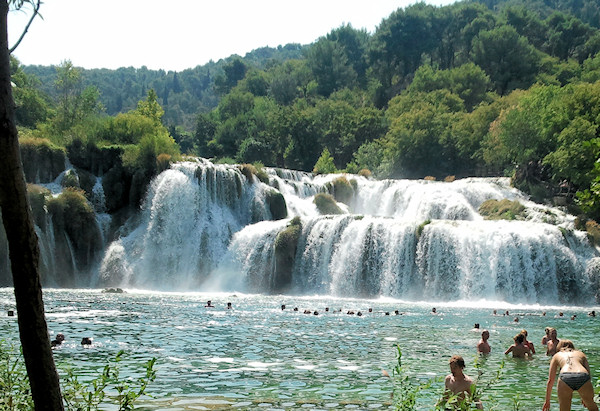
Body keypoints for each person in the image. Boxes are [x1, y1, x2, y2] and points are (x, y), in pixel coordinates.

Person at [543, 340, 598, 411]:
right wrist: (585, 396)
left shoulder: (557, 355)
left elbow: (551, 380)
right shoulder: (581, 354)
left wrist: (547, 401)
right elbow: (588, 374)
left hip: (565, 376)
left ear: (559, 347)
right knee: (592, 407)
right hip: (582, 375)